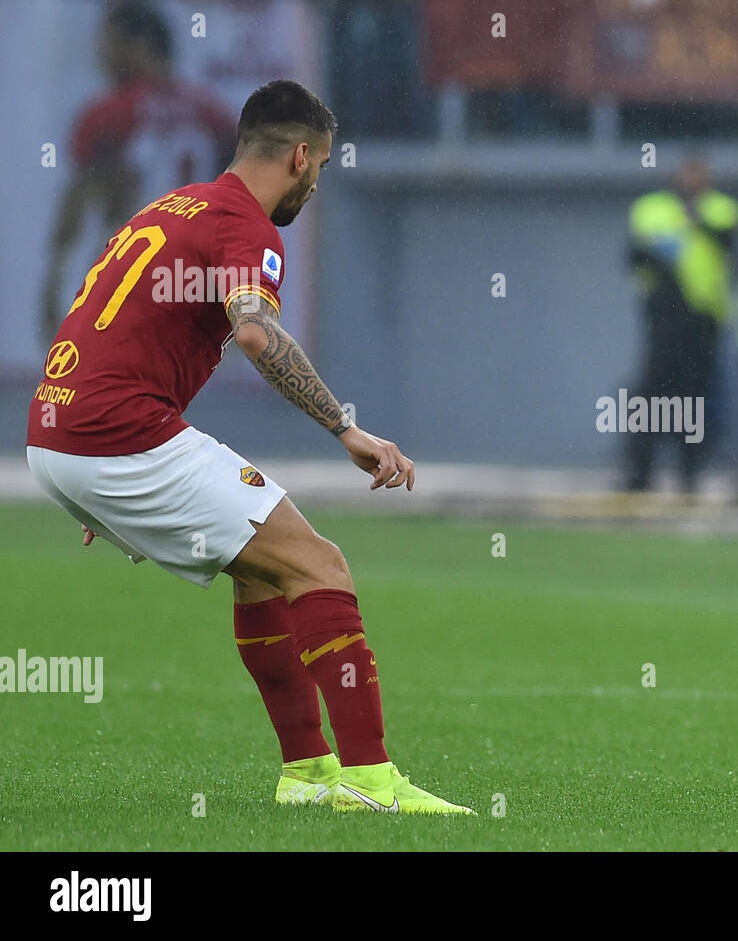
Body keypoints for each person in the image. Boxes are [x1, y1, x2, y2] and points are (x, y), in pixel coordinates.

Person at [26, 80, 472, 816]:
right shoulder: (246, 226)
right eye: (322, 169)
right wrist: (345, 428)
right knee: (320, 563)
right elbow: (257, 332)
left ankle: (306, 771)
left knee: (262, 574)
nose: (316, 184)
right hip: (111, 437)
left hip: (61, 431)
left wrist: (88, 470)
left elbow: (111, 323)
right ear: (301, 157)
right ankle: (372, 781)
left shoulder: (173, 207)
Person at [40, 1, 235, 344]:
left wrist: (52, 287)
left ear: (140, 44)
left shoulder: (106, 115)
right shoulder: (215, 116)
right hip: (193, 288)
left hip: (129, 284)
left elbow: (77, 208)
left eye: (110, 43)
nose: (101, 55)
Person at [625, 155, 738, 494]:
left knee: (694, 397)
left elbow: (729, 243)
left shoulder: (722, 208)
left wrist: (697, 222)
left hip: (703, 319)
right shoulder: (651, 208)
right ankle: (639, 473)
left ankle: (689, 473)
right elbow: (634, 254)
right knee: (650, 396)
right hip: (663, 316)